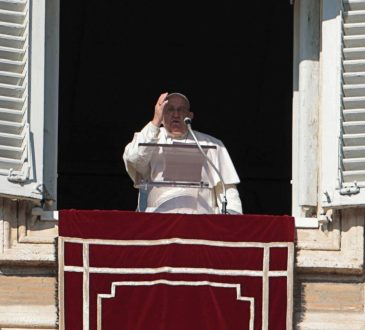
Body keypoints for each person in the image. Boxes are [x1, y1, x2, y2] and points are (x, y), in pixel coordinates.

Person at [123, 92, 243, 214]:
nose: (176, 114)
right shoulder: (148, 139)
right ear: (162, 115)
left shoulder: (212, 145)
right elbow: (134, 160)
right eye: (169, 110)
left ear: (190, 116)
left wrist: (233, 217)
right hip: (159, 221)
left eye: (181, 110)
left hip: (200, 222)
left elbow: (227, 188)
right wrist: (155, 122)